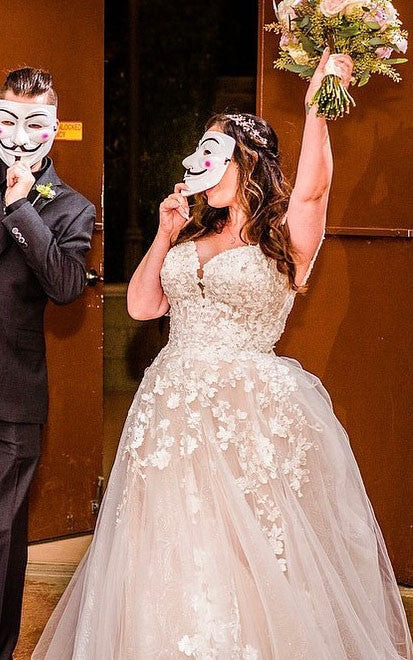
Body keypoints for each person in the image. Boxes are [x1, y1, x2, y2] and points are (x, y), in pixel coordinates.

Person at [33, 50, 412, 659]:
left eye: (212, 151)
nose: (197, 163)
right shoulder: (191, 232)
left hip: (247, 414)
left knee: (245, 547)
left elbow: (314, 190)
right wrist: (164, 233)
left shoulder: (284, 236)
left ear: (246, 164)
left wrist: (317, 109)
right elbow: (142, 307)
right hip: (170, 412)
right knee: (172, 542)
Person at [0, 68, 95, 659]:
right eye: (7, 120)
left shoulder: (71, 208)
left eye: (34, 122)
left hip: (12, 396)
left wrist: (20, 206)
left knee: (1, 532)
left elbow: (65, 287)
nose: (18, 134)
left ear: (53, 129)